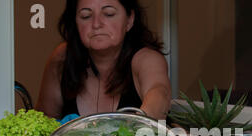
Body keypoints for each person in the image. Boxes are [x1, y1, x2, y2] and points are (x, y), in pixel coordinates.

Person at [35, 0, 171, 123]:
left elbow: (159, 94)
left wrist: (134, 130)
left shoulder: (146, 58)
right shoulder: (62, 57)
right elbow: (45, 118)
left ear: (129, 20)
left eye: (108, 14)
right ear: (75, 22)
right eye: (86, 16)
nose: (96, 24)